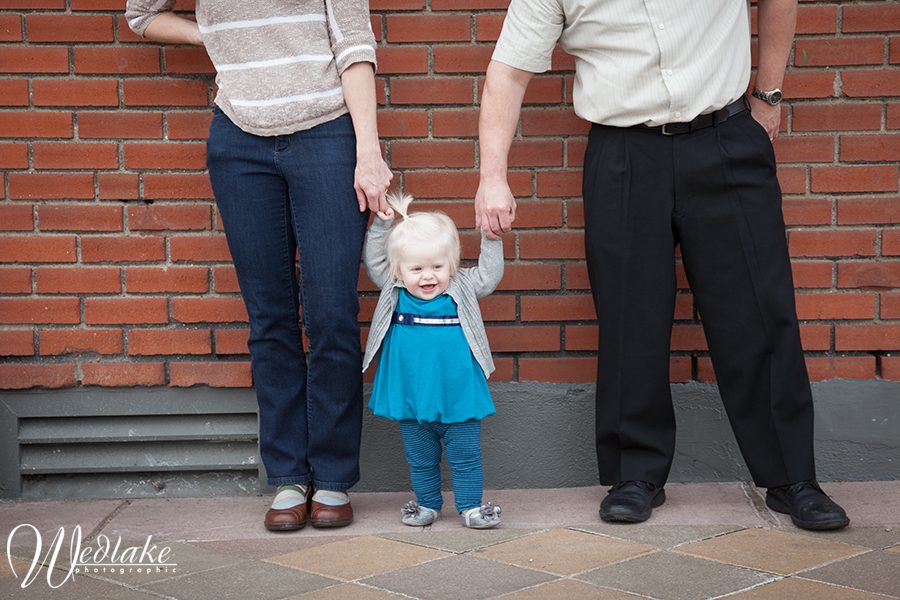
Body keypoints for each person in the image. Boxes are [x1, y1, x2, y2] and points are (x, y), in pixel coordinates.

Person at [476, 0, 850, 530]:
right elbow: (508, 71)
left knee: (759, 312)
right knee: (630, 316)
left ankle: (793, 478)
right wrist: (492, 175)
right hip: (624, 152)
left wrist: (768, 95)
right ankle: (636, 474)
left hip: (727, 138)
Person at [125, 0, 392, 531]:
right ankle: (289, 476)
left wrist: (369, 152)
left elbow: (356, 46)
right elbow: (141, 14)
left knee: (331, 312)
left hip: (328, 135)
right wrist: (214, 35)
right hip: (239, 140)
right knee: (269, 319)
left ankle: (334, 475)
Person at [362, 193, 504, 529]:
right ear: (399, 269)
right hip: (412, 391)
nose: (428, 277)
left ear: (452, 263)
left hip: (457, 390)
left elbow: (489, 275)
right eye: (417, 268)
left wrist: (491, 238)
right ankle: (427, 504)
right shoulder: (394, 289)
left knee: (466, 454)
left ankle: (470, 508)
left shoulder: (462, 286)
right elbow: (375, 263)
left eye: (438, 266)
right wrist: (382, 225)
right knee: (420, 456)